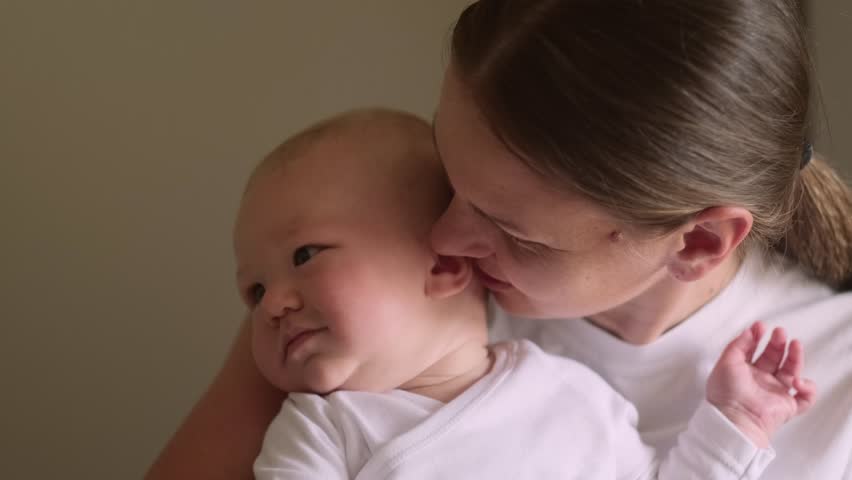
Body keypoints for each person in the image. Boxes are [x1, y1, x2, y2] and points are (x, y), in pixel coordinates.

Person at [144, 2, 852, 479]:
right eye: (449, 179)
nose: (444, 236)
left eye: (511, 228)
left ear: (698, 242)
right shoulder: (361, 303)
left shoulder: (833, 395)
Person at [237, 109, 809, 479]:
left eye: (305, 255)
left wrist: (736, 422)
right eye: (253, 290)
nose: (272, 305)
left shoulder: (572, 396)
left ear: (443, 262)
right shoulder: (320, 431)